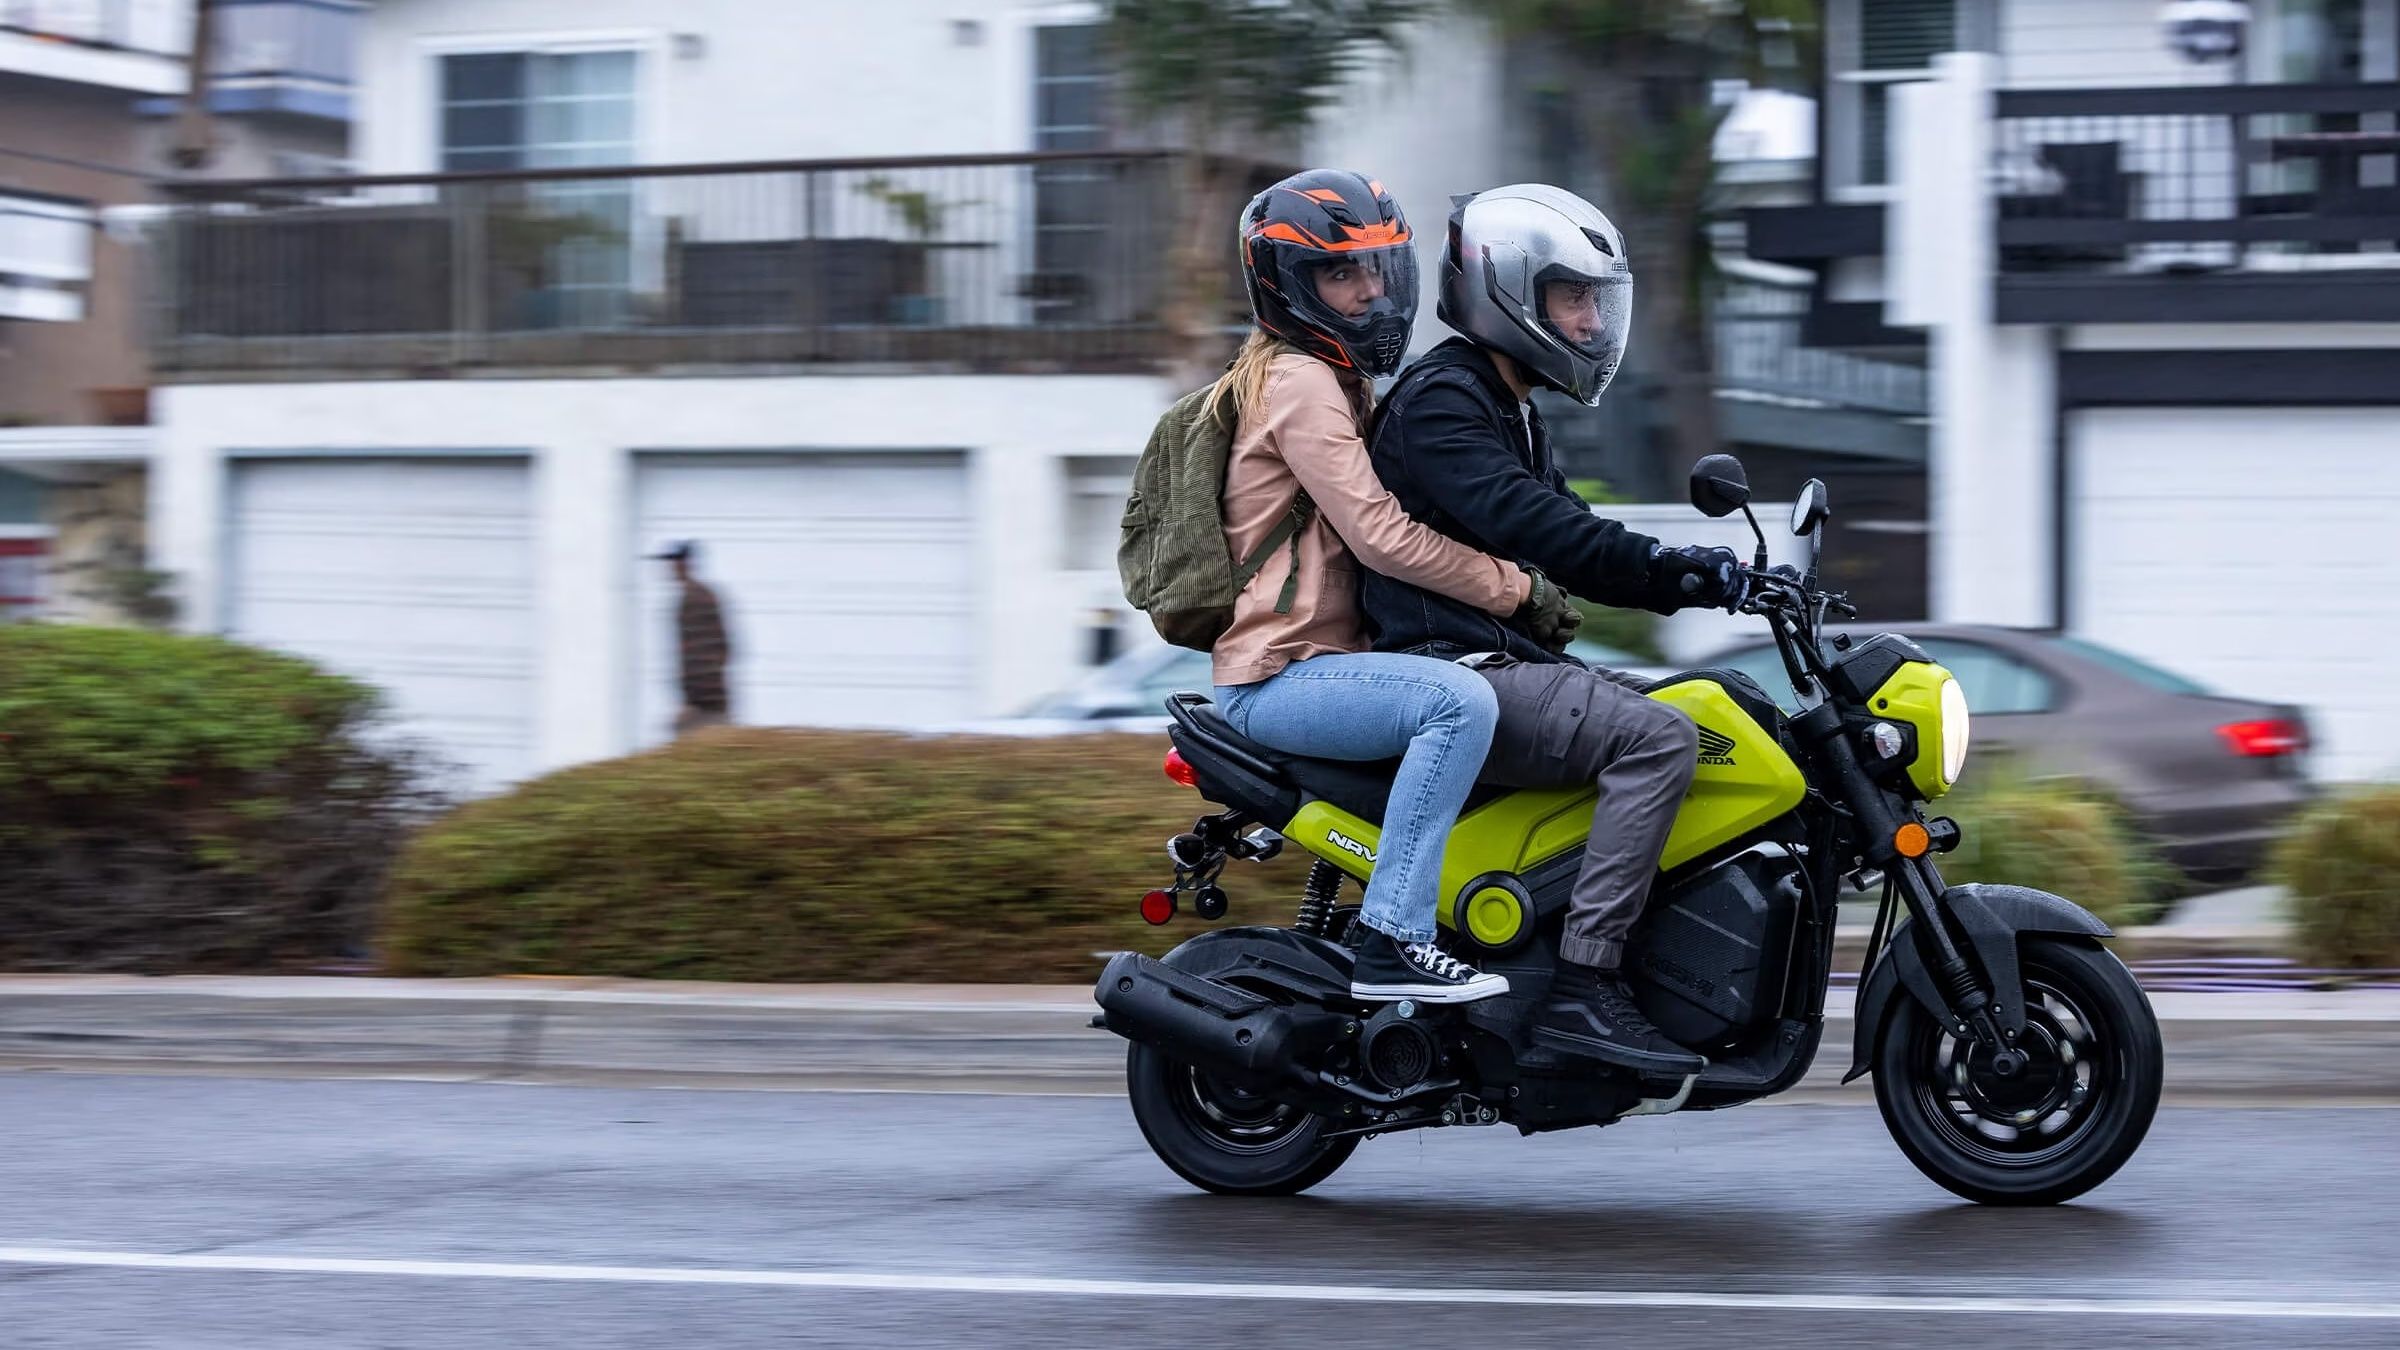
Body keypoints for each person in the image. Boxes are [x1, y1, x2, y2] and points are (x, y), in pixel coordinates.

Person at [1360, 184, 1750, 1075]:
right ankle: (1585, 988)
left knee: (1722, 710)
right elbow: (1540, 527)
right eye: (1571, 298)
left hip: (1498, 664)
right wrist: (1679, 570)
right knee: (1657, 742)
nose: (1589, 322)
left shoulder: (1507, 404)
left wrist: (1707, 576)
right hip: (1451, 668)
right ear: (1510, 290)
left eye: (1593, 303)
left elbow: (1575, 537)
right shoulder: (1443, 402)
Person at [1210, 169, 1583, 1005]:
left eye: (1379, 269)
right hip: (1279, 675)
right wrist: (1512, 589)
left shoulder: (1343, 381)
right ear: (1288, 285)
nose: (1372, 293)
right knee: (1458, 703)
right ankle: (1395, 938)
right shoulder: (1299, 382)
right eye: (1342, 274)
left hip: (1326, 666)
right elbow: (1380, 536)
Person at [649, 540, 733, 736]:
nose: (668, 568)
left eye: (673, 562)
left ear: (684, 564)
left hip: (706, 705)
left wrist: (695, 703)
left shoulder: (695, 599)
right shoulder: (699, 595)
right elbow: (723, 648)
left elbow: (702, 653)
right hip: (709, 701)